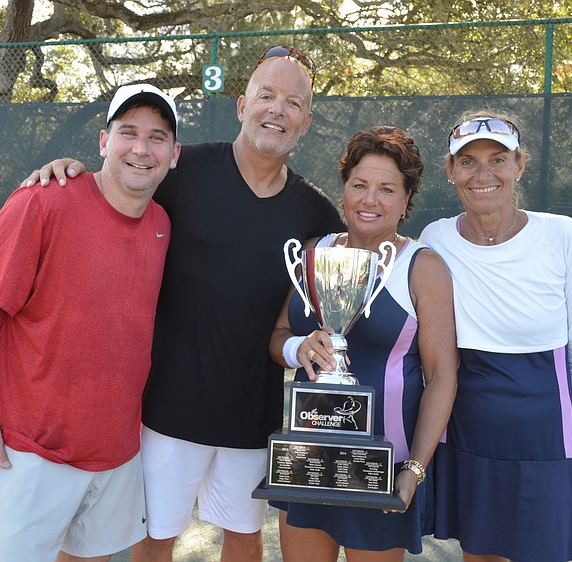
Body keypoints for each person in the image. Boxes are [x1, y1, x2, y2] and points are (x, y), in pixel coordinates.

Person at [21, 46, 346, 561]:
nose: (276, 110)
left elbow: (359, 269)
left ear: (305, 121)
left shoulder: (316, 213)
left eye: (292, 102)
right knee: (153, 538)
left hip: (251, 414)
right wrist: (69, 173)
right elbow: (116, 185)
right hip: (164, 409)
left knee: (243, 537)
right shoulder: (179, 168)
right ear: (242, 106)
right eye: (266, 96)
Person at [0, 83, 181, 562]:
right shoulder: (43, 202)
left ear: (174, 154)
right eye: (128, 132)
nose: (141, 148)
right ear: (102, 141)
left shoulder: (161, 223)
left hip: (117, 453)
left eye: (157, 137)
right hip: (29, 454)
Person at [420, 111, 572, 562]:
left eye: (497, 159)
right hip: (468, 434)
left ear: (519, 165)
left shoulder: (563, 234)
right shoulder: (435, 240)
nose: (483, 175)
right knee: (480, 555)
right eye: (467, 162)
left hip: (546, 438)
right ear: (450, 171)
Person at [268, 126, 458, 561]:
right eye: (360, 185)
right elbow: (278, 337)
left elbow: (443, 376)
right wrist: (300, 347)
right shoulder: (316, 251)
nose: (370, 200)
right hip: (308, 460)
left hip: (380, 469)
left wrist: (413, 470)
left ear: (407, 199)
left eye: (387, 189)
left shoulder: (422, 267)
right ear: (344, 189)